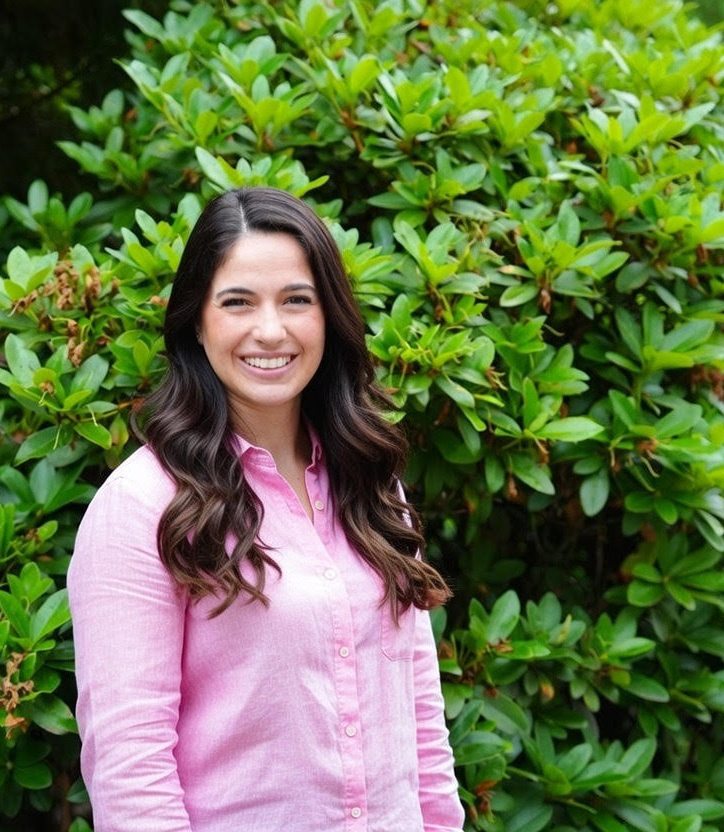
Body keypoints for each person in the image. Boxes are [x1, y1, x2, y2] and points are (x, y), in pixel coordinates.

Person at [66, 186, 464, 831]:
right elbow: (129, 768)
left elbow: (418, 709)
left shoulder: (369, 482)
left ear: (329, 316)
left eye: (297, 300)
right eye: (238, 302)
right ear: (197, 320)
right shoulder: (143, 507)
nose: (271, 330)